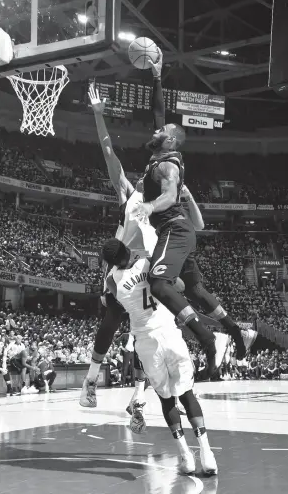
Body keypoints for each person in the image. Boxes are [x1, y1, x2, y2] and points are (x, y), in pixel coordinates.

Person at [80, 78, 230, 408]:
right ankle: (90, 380)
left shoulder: (161, 191)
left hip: (148, 263)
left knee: (157, 324)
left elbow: (181, 208)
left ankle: (141, 394)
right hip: (122, 267)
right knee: (115, 315)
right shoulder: (129, 194)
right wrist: (98, 115)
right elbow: (108, 151)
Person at [131, 49, 256, 360]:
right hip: (177, 230)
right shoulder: (159, 155)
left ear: (170, 141)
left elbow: (170, 197)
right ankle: (238, 333)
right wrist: (157, 77)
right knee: (195, 290)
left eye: (162, 132)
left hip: (174, 227)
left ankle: (207, 337)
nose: (156, 130)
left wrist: (148, 207)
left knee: (159, 283)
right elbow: (157, 113)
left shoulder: (168, 165)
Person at [97, 236, 218, 476]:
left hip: (145, 342)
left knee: (167, 400)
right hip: (170, 334)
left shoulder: (111, 280)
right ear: (127, 250)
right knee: (187, 395)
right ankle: (207, 454)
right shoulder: (150, 262)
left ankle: (185, 456)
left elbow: (114, 305)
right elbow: (181, 287)